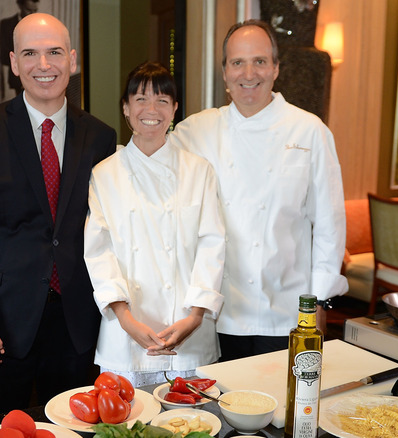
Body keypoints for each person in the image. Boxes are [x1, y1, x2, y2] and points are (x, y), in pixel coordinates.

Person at [0, 13, 116, 416]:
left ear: (72, 60)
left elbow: (112, 230)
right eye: (31, 54)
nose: (44, 65)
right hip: (1, 323)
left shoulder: (101, 137)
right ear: (14, 62)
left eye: (54, 52)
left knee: (75, 428)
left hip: (78, 322)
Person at [168, 19, 347, 361]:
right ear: (224, 72)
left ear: (276, 68)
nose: (248, 73)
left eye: (260, 61)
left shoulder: (310, 131)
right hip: (219, 312)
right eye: (237, 62)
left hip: (286, 312)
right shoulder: (198, 129)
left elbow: (329, 223)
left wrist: (321, 302)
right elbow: (148, 162)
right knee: (225, 406)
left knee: (280, 407)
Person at [83, 62, 225, 386]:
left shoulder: (199, 171)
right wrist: (125, 319)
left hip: (189, 338)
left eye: (162, 100)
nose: (151, 109)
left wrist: (195, 316)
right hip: (124, 339)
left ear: (175, 110)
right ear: (125, 109)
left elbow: (212, 244)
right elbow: (98, 252)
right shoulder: (104, 174)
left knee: (194, 429)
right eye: (141, 99)